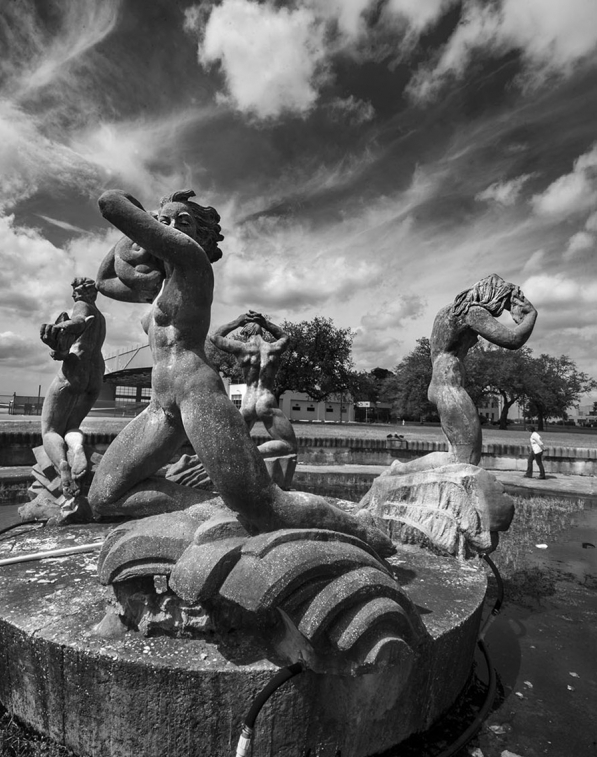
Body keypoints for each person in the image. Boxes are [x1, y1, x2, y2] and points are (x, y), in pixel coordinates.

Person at [87, 189, 394, 558]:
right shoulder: (158, 286)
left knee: (266, 504)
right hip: (161, 404)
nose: (168, 228)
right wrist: (145, 230)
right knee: (105, 495)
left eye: (182, 223)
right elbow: (104, 281)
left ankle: (363, 533)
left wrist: (137, 209)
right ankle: (217, 510)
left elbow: (110, 204)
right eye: (164, 222)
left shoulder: (191, 262)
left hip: (196, 393)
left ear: (200, 237)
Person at [389, 274, 537, 476]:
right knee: (465, 458)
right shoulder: (472, 312)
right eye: (504, 303)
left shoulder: (448, 311)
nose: (502, 309)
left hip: (441, 382)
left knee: (463, 456)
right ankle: (401, 470)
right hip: (448, 385)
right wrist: (530, 316)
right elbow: (512, 340)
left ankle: (403, 471)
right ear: (493, 296)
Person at [40, 277, 106, 496]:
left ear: (87, 293)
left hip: (74, 369)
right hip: (95, 375)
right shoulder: (101, 317)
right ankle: (76, 448)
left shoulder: (83, 306)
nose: (73, 295)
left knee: (49, 430)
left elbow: (78, 320)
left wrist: (60, 327)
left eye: (77, 291)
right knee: (72, 425)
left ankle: (62, 465)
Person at [210, 310, 297, 458]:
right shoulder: (273, 348)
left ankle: (238, 457)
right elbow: (285, 337)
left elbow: (215, 337)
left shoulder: (241, 348)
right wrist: (267, 324)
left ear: (245, 333)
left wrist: (237, 321)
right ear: (262, 332)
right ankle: (252, 453)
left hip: (248, 401)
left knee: (230, 444)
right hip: (265, 399)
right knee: (289, 445)